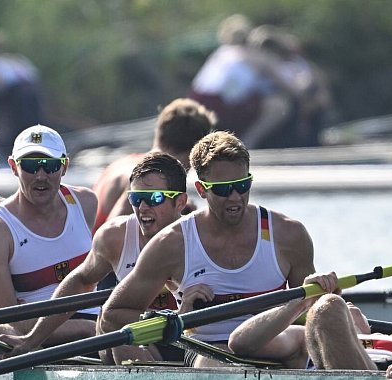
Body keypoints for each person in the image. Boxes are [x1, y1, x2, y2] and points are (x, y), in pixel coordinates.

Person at [98, 131, 316, 367]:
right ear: (202, 190)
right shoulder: (173, 242)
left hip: (274, 343)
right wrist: (179, 318)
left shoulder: (289, 234)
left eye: (242, 185)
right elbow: (114, 313)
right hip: (208, 350)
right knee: (214, 366)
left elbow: (310, 308)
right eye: (223, 189)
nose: (235, 197)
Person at [0, 152, 188, 363]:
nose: (142, 208)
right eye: (136, 198)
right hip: (138, 337)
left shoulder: (201, 239)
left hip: (190, 340)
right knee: (110, 323)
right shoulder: (115, 237)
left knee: (113, 319)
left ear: (180, 202)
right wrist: (30, 340)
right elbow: (80, 281)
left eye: (154, 198)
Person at [0, 124, 99, 368]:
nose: (40, 175)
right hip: (33, 331)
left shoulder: (85, 202)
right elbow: (6, 318)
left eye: (49, 165)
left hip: (97, 329)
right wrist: (89, 329)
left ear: (65, 166)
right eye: (29, 165)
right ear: (14, 167)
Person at [227, 272, 392, 375]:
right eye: (345, 309)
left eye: (350, 307)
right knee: (327, 307)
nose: (347, 305)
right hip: (350, 365)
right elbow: (240, 343)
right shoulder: (305, 337)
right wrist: (302, 301)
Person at [92, 98, 214, 232]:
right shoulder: (141, 177)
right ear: (193, 153)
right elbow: (110, 235)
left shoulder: (125, 164)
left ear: (160, 134)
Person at [188, 16, 298, 148]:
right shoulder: (257, 56)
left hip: (196, 100)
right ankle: (248, 142)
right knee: (278, 105)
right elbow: (291, 88)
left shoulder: (221, 53)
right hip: (219, 104)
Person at [0, 29, 44, 161]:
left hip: (16, 104)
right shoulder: (17, 59)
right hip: (35, 100)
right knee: (35, 134)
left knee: (10, 136)